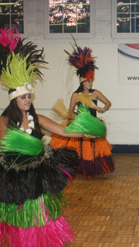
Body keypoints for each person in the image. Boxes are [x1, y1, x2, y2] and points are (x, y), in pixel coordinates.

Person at [0, 25, 94, 247]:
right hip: (13, 171)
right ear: (14, 99)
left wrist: (85, 133)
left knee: (39, 208)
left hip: (37, 169)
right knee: (19, 210)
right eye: (24, 97)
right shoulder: (2, 120)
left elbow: (64, 130)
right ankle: (22, 241)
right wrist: (26, 136)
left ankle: (42, 242)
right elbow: (6, 144)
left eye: (29, 96)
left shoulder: (39, 118)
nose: (28, 100)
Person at [50, 44, 114, 179]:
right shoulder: (75, 95)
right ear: (82, 82)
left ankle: (94, 169)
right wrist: (72, 117)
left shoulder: (95, 93)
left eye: (91, 81)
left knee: (94, 148)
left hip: (93, 124)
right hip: (81, 124)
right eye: (88, 81)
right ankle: (80, 169)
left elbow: (108, 102)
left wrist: (103, 108)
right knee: (80, 148)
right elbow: (71, 111)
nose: (90, 83)